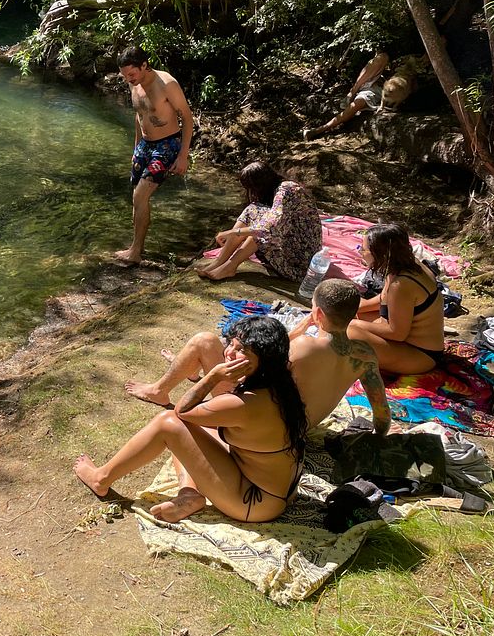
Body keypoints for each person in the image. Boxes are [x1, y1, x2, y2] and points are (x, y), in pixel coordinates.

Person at [75, 316, 307, 523]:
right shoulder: (281, 385)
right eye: (232, 344)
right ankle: (190, 494)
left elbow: (182, 411)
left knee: (168, 423)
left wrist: (213, 377)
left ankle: (101, 479)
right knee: (189, 430)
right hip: (273, 491)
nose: (228, 353)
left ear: (263, 362)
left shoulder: (243, 403)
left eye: (241, 351)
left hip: (254, 502)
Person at [126, 279, 390, 435]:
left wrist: (216, 368)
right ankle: (186, 370)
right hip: (301, 429)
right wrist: (379, 436)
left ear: (318, 314)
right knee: (215, 348)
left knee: (203, 342)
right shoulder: (365, 355)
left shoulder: (303, 348)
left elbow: (251, 373)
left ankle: (160, 390)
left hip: (267, 429)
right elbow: (382, 414)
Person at [114, 45, 194, 264]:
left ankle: (136, 252)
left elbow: (187, 119)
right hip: (145, 146)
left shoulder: (167, 84)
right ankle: (135, 246)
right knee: (136, 198)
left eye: (132, 74)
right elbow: (139, 116)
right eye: (125, 75)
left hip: (167, 145)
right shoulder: (135, 84)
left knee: (140, 196)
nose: (128, 79)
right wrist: (136, 148)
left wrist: (183, 155)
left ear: (144, 65)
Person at [196, 162, 322, 282]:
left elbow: (268, 228)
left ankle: (229, 267)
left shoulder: (287, 190)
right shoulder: (280, 188)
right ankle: (219, 262)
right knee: (252, 209)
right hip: (290, 242)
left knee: (262, 227)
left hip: (299, 261)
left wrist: (233, 232)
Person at [348, 223, 446, 374]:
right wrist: (355, 308)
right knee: (351, 314)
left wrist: (353, 323)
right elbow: (385, 298)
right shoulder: (406, 265)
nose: (360, 252)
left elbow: (397, 333)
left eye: (363, 249)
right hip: (407, 341)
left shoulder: (402, 285)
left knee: (349, 332)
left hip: (421, 355)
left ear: (380, 253)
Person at [303, 51, 389, 140]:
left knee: (358, 102)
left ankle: (319, 130)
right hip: (369, 86)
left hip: (383, 90)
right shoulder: (381, 57)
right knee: (382, 57)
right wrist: (353, 91)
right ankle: (318, 130)